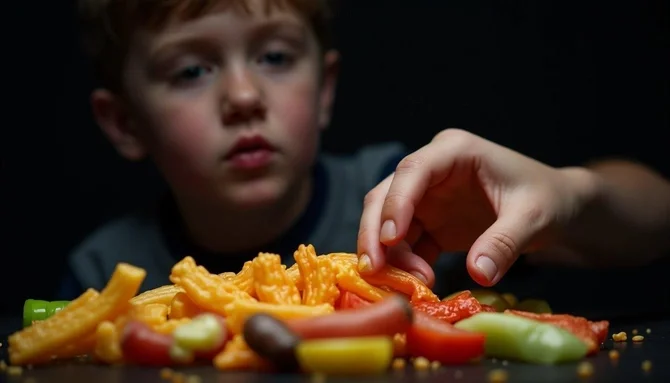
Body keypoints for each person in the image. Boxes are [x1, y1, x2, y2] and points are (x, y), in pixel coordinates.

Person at [60, 0, 407, 298]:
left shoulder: (402, 200)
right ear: (126, 123)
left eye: (274, 57)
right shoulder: (100, 276)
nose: (244, 96)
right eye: (191, 71)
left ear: (325, 89)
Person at [357, 129, 670, 316]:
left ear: (327, 85)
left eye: (303, 53)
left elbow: (660, 218)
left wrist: (572, 191)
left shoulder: (408, 186)